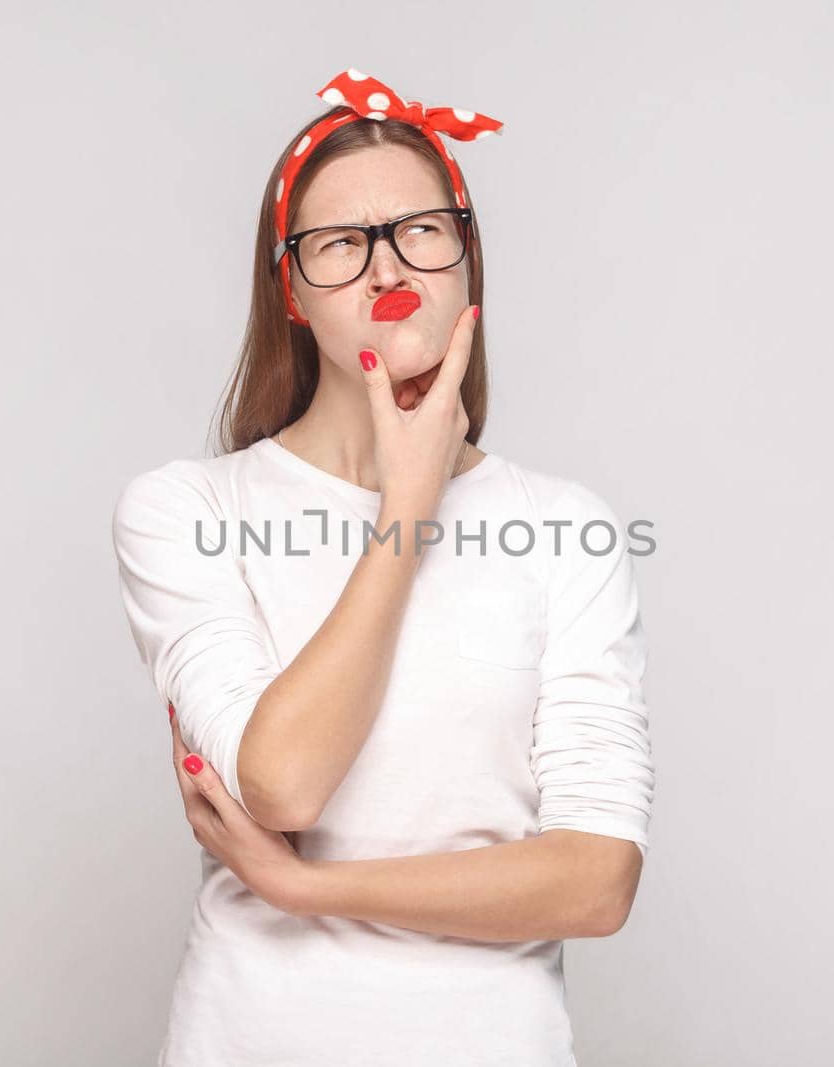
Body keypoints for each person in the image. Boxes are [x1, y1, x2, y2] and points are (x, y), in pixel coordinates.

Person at [111, 68, 655, 1067]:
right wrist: (407, 510)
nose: (383, 265)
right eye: (338, 242)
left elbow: (595, 880)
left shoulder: (565, 526)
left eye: (419, 229)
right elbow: (283, 784)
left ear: (465, 261)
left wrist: (311, 888)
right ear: (291, 291)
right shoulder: (188, 510)